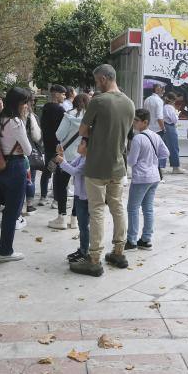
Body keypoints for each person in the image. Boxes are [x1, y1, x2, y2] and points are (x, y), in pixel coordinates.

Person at [69, 64, 135, 277]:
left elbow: (83, 129)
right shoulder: (130, 103)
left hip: (97, 166)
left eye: (98, 80)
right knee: (117, 208)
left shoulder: (98, 100)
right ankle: (118, 252)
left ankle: (94, 259)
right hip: (118, 166)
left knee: (96, 210)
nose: (97, 84)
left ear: (105, 78)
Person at [0, 87, 33, 262]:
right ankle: (5, 250)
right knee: (13, 210)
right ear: (18, 103)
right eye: (25, 102)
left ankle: (4, 248)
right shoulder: (16, 123)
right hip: (15, 165)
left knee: (7, 209)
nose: (26, 106)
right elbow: (28, 150)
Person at [125, 109, 169, 251]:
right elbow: (165, 153)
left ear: (145, 122)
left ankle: (131, 241)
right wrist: (152, 161)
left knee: (132, 209)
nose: (134, 123)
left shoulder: (138, 138)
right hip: (154, 176)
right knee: (148, 209)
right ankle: (146, 239)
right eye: (134, 120)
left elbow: (131, 161)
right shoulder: (155, 136)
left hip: (141, 177)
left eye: (137, 120)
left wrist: (142, 161)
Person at [51, 93, 89, 229]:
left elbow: (59, 134)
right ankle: (74, 218)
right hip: (82, 156)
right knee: (79, 188)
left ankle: (61, 217)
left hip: (65, 156)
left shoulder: (68, 115)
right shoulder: (90, 117)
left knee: (62, 186)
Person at [53, 137, 90, 263]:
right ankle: (82, 249)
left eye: (82, 144)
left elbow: (74, 171)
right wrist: (62, 157)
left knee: (84, 225)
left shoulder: (87, 161)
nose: (79, 145)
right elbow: (69, 166)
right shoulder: (81, 157)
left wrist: (62, 161)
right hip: (79, 195)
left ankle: (85, 251)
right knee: (81, 224)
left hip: (85, 197)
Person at [38, 85, 66, 207]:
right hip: (58, 146)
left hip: (48, 145)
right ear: (56, 94)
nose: (64, 96)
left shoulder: (45, 108)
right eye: (63, 94)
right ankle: (55, 200)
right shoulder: (60, 110)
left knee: (48, 170)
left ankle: (43, 197)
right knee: (57, 172)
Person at [23, 94, 42, 218]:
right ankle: (29, 204)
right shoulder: (32, 117)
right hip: (29, 152)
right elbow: (36, 136)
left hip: (12, 154)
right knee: (31, 179)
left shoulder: (7, 116)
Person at [162, 92, 184, 174]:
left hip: (165, 126)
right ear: (172, 100)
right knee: (174, 147)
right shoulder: (170, 107)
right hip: (170, 126)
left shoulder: (164, 106)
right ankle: (176, 167)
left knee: (164, 147)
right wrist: (177, 114)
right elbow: (174, 119)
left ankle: (161, 166)